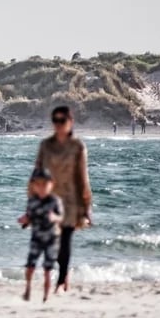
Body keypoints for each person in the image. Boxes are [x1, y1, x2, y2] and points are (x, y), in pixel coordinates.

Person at [34, 105, 92, 292]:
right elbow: (36, 174)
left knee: (65, 240)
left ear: (70, 122)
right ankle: (63, 273)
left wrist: (86, 206)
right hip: (49, 200)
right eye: (55, 121)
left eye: (62, 121)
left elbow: (83, 177)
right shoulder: (45, 146)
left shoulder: (78, 146)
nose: (58, 125)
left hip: (70, 200)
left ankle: (60, 281)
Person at [19, 167, 64, 303]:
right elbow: (29, 217)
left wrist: (54, 217)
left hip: (52, 238)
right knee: (30, 265)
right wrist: (25, 220)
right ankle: (27, 288)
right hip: (37, 237)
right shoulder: (32, 201)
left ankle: (46, 296)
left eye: (45, 184)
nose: (42, 187)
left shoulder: (55, 201)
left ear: (52, 184)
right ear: (33, 186)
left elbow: (61, 217)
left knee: (47, 269)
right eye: (38, 184)